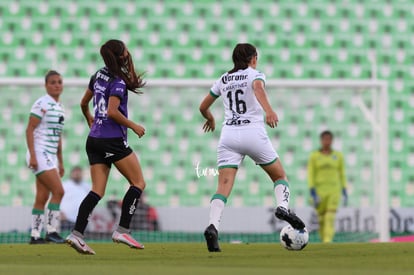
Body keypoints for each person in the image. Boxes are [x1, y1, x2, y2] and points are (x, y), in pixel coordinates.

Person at [199, 43, 305, 252]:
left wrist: (210, 118)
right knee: (279, 175)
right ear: (253, 58)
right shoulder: (255, 74)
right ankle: (283, 208)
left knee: (223, 187)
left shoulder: (223, 79)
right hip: (252, 133)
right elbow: (257, 89)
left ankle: (213, 226)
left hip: (228, 136)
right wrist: (269, 111)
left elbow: (203, 106)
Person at [66, 39, 146, 255]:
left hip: (93, 139)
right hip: (112, 139)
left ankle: (77, 235)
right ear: (121, 55)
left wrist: (89, 119)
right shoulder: (118, 81)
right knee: (138, 182)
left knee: (97, 190)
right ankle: (122, 230)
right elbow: (112, 111)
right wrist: (134, 126)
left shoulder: (98, 75)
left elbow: (83, 103)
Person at [25, 70, 66, 244]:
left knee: (42, 197)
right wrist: (33, 156)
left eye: (59, 82)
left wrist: (61, 162)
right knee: (59, 191)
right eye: (53, 82)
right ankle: (52, 231)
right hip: (40, 153)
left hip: (50, 155)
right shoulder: (42, 103)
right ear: (46, 85)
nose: (57, 85)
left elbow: (57, 137)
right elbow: (29, 129)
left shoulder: (59, 107)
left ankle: (35, 235)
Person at [307, 130, 348, 243]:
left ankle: (327, 240)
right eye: (325, 139)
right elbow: (310, 173)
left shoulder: (338, 156)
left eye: (329, 139)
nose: (327, 142)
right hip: (320, 190)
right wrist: (312, 190)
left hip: (334, 190)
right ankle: (324, 240)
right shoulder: (314, 156)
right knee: (321, 219)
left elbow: (342, 173)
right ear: (321, 141)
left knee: (330, 216)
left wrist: (344, 189)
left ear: (332, 141)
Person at [60, 166, 91, 231]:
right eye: (75, 173)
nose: (77, 175)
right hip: (66, 219)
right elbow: (56, 199)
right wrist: (60, 212)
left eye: (79, 173)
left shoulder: (87, 186)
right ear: (71, 174)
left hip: (82, 220)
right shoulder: (64, 185)